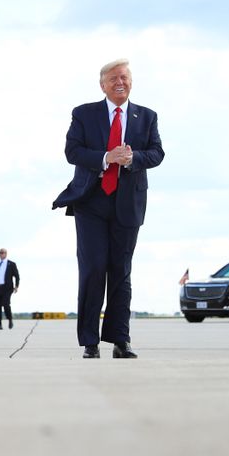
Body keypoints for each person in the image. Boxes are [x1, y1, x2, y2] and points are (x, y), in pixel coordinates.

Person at [52, 59, 164, 359]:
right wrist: (106, 157)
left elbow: (157, 153)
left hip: (129, 202)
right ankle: (89, 341)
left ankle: (120, 340)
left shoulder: (147, 116)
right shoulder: (85, 114)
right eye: (114, 78)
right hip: (92, 201)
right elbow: (72, 152)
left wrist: (131, 159)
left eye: (125, 77)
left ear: (131, 82)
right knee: (93, 269)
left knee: (121, 272)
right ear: (102, 84)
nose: (120, 82)